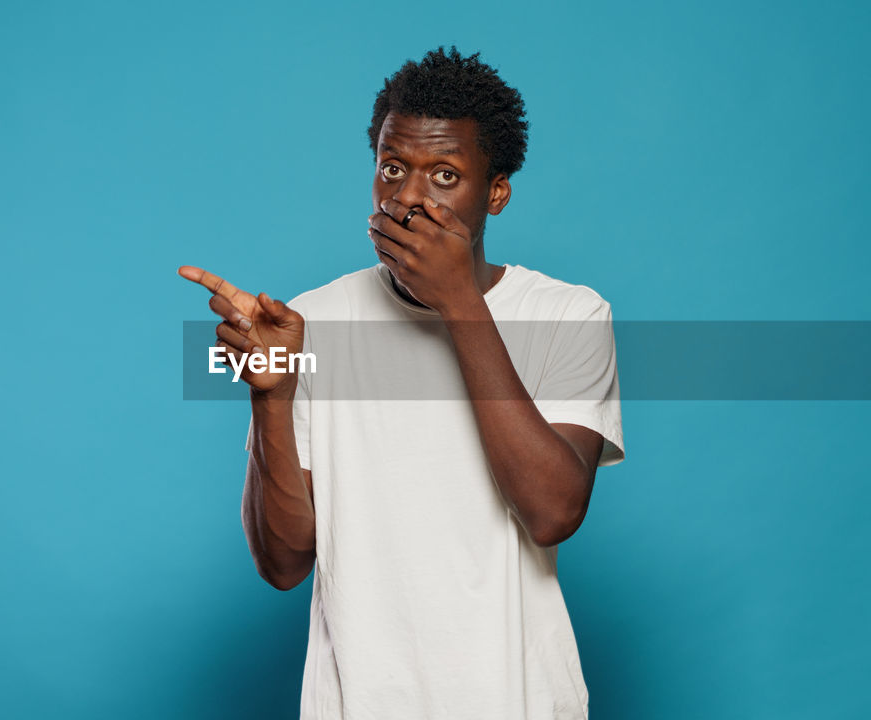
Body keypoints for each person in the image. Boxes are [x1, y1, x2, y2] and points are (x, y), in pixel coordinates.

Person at [179, 46, 624, 720]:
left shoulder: (569, 314)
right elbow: (283, 563)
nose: (409, 195)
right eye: (392, 168)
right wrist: (272, 395)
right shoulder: (313, 323)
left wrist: (459, 304)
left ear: (496, 192)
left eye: (446, 174)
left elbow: (553, 512)